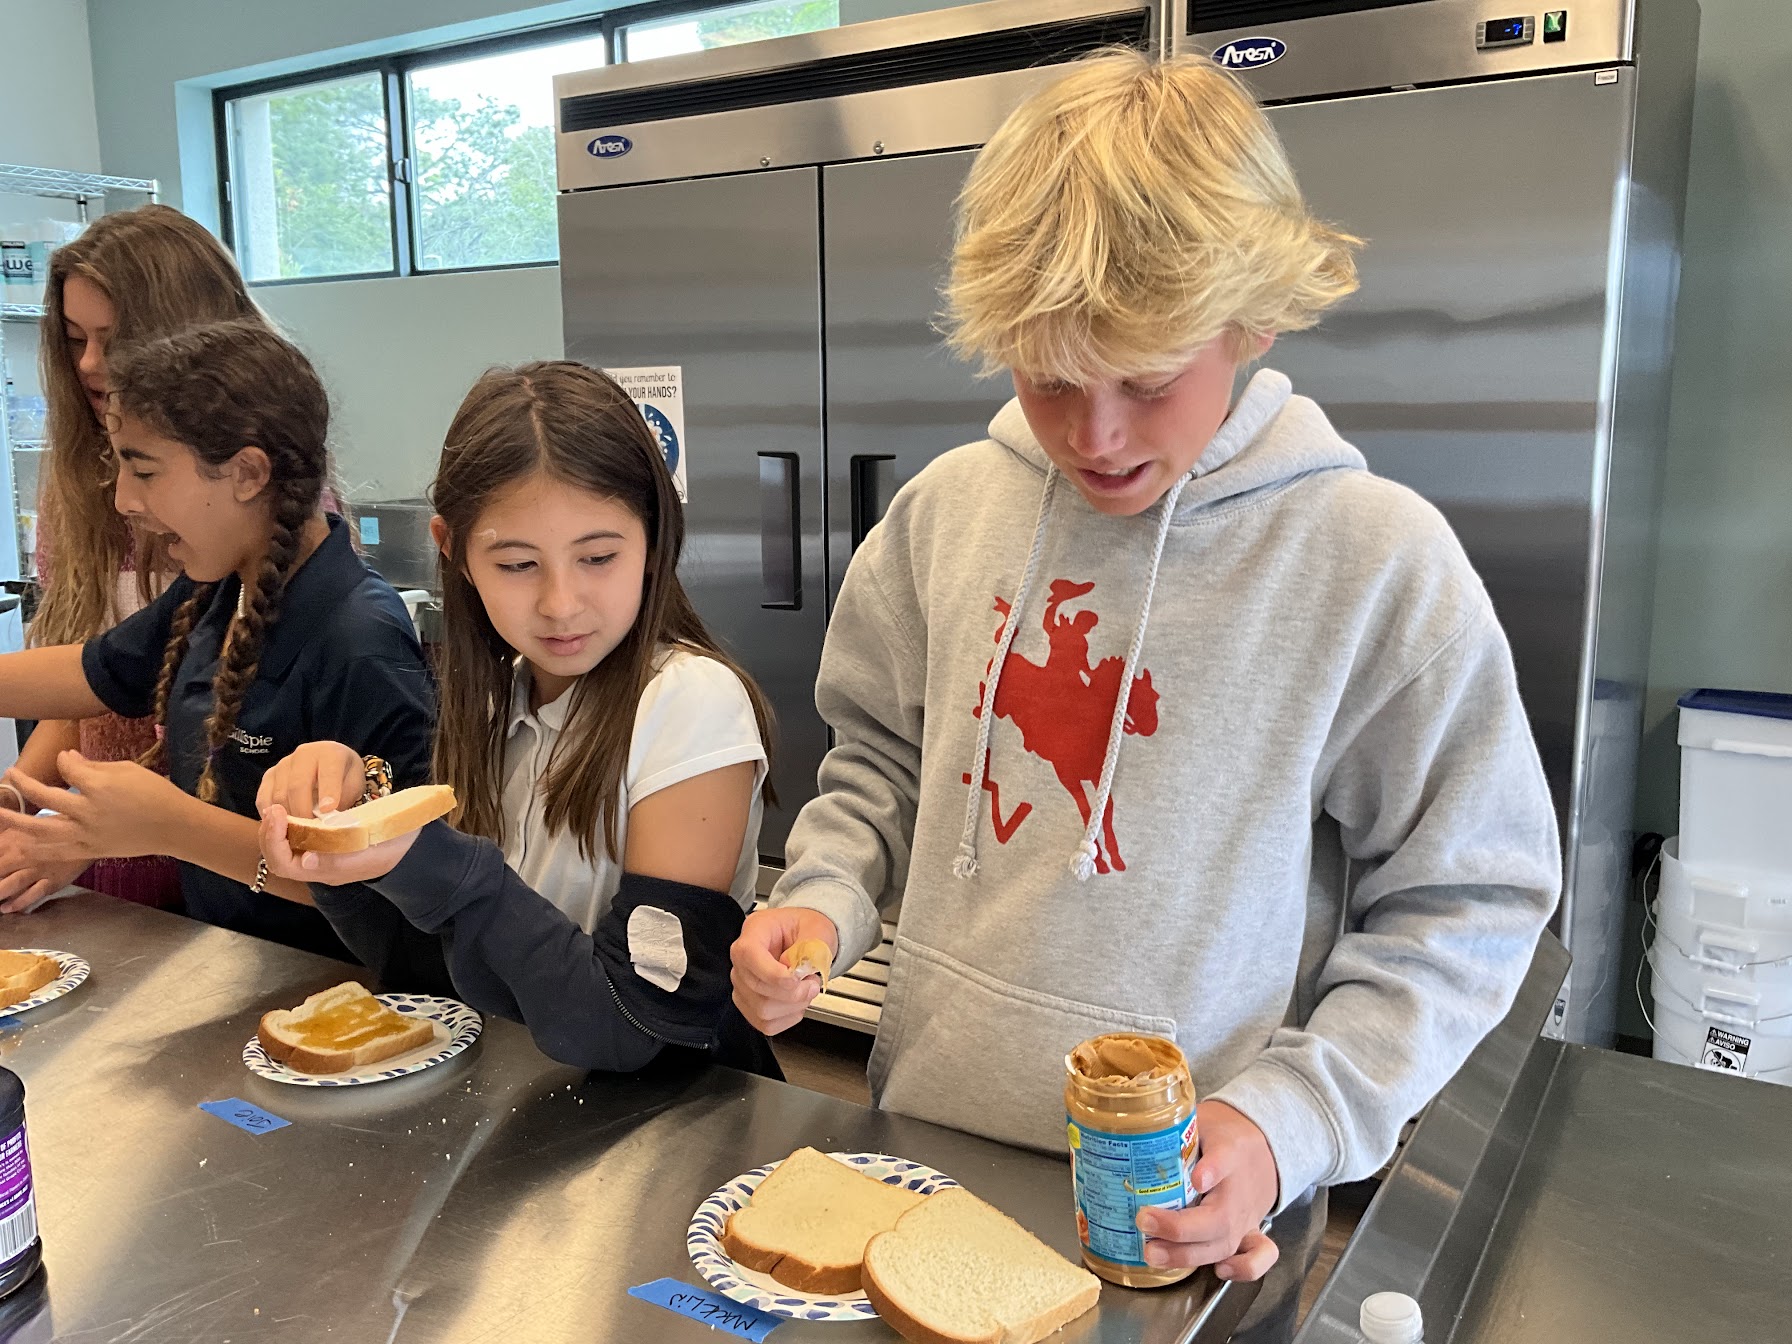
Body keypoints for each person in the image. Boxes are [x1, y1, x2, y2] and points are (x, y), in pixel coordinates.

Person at [728, 50, 1560, 1341]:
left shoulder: (1371, 560)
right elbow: (881, 767)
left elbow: (1471, 897)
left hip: (1198, 1221)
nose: (1097, 435)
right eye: (1048, 378)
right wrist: (822, 899)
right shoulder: (948, 514)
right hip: (923, 1161)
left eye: (1149, 379)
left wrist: (1293, 1122)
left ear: (1253, 322)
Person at [256, 361, 781, 1077]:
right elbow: (434, 971)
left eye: (597, 556)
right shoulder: (495, 697)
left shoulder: (690, 703)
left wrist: (435, 865)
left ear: (655, 539)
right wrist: (344, 847)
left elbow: (632, 1027)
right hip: (537, 1106)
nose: (562, 603)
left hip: (680, 1122)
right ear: (455, 552)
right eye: (517, 565)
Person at [0, 320, 435, 962]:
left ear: (247, 473)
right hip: (232, 966)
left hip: (340, 988)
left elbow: (379, 885)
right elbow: (92, 673)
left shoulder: (358, 642)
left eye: (144, 471)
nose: (123, 500)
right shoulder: (217, 590)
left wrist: (169, 826)